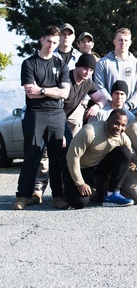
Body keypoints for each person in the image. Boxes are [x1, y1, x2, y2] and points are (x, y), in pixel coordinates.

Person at [13, 26, 71, 211]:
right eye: (49, 41)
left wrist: (43, 90)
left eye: (55, 42)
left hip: (56, 115)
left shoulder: (61, 64)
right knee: (32, 155)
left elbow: (65, 93)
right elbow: (30, 93)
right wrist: (51, 91)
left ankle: (57, 197)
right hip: (35, 114)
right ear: (41, 40)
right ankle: (23, 196)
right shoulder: (30, 63)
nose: (51, 46)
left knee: (56, 158)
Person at [63, 109, 135, 209]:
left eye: (123, 125)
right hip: (81, 168)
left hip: (99, 168)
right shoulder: (89, 131)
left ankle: (112, 193)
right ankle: (70, 189)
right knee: (79, 203)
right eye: (116, 123)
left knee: (125, 152)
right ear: (108, 120)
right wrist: (80, 183)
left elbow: (129, 160)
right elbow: (72, 157)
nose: (119, 128)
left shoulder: (123, 137)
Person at [94, 28, 137, 113]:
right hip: (107, 110)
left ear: (130, 42)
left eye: (126, 40)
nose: (123, 43)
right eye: (120, 40)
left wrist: (127, 105)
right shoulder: (103, 63)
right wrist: (113, 104)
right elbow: (99, 86)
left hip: (131, 112)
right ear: (114, 41)